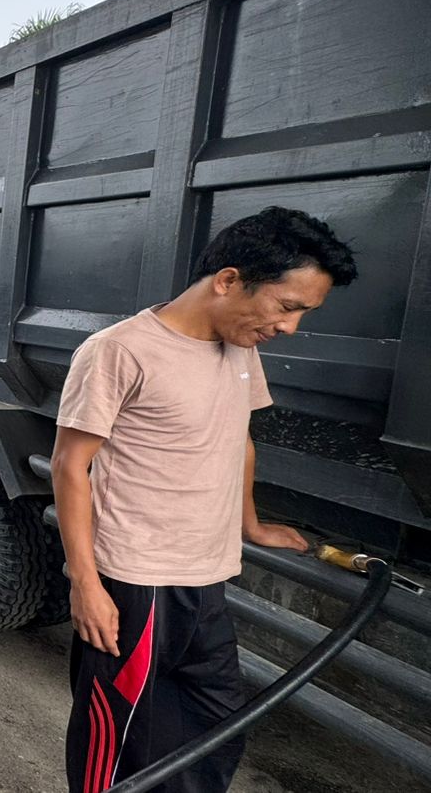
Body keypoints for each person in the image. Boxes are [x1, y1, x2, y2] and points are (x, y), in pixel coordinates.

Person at [51, 206, 357, 793]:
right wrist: (85, 584)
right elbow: (70, 465)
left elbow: (239, 439)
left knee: (212, 727)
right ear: (229, 280)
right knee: (116, 737)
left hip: (206, 577)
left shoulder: (241, 345)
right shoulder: (120, 350)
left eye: (302, 313)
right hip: (137, 582)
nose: (290, 327)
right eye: (287, 306)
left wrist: (252, 526)